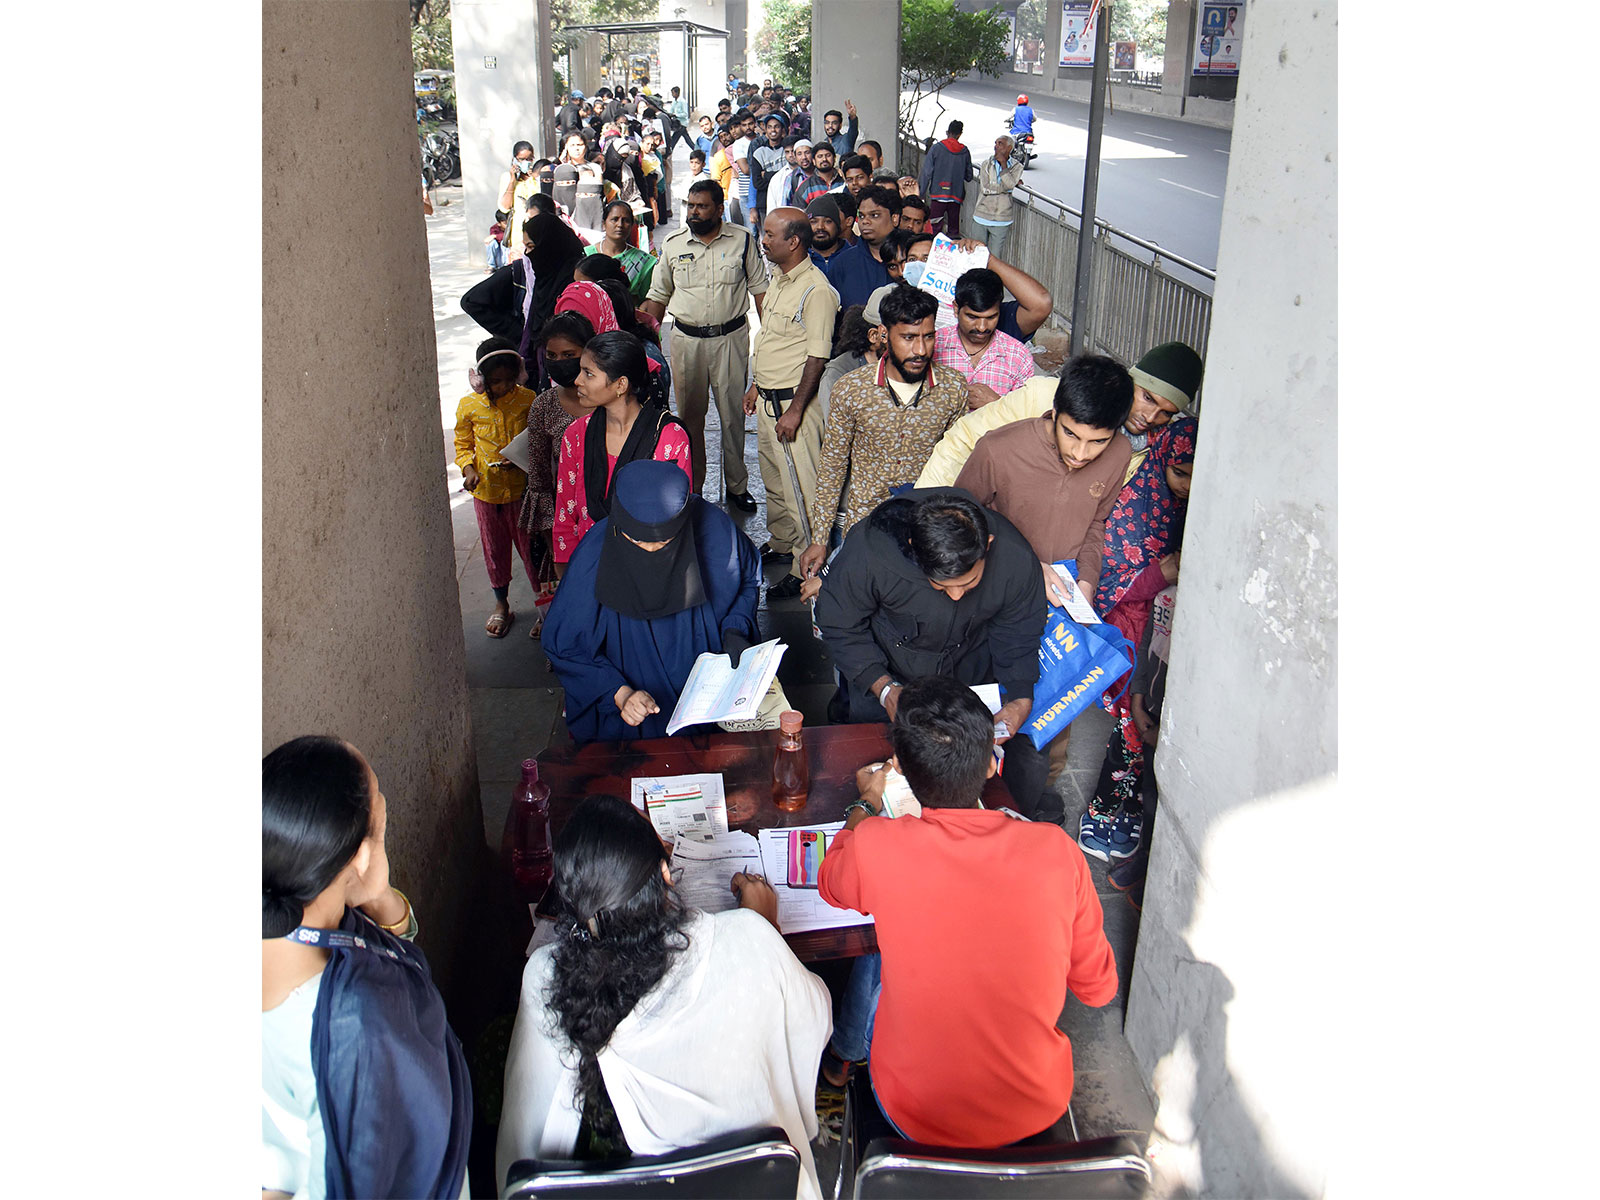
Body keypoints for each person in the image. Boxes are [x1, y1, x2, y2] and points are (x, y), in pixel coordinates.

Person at [813, 678, 1118, 1145]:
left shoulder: (879, 846)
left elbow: (831, 884)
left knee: (879, 944)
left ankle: (843, 1058)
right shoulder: (1057, 851)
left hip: (911, 1109)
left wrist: (867, 801)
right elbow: (1098, 989)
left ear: (901, 771)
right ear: (993, 763)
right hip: (1036, 1110)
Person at [496, 795, 830, 1198]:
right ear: (665, 875)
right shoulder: (750, 938)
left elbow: (522, 1151)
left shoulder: (546, 977)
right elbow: (816, 1017)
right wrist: (763, 927)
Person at [262, 736, 472, 1199]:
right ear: (359, 856)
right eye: (380, 803)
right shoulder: (360, 1025)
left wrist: (377, 894)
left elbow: (388, 949)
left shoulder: (300, 909)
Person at [811, 489, 1060, 822]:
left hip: (964, 676)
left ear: (986, 545)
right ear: (915, 550)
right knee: (875, 771)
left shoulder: (1015, 559)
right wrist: (884, 689)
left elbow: (1019, 634)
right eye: (941, 586)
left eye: (969, 583)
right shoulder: (872, 551)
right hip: (885, 669)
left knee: (961, 784)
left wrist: (1020, 698)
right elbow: (839, 623)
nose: (956, 596)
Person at [542, 461, 762, 741]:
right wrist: (619, 693)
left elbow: (747, 578)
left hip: (707, 698)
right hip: (630, 714)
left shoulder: (714, 531)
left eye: (664, 544)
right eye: (637, 542)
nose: (650, 551)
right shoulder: (595, 554)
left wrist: (735, 629)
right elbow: (565, 644)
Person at [1080, 420, 1195, 863]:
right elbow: (1108, 584)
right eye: (1179, 472)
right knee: (1134, 723)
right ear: (1163, 460)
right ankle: (1102, 811)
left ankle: (1127, 811)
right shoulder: (1135, 506)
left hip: (1172, 632)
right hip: (1132, 628)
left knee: (1154, 728)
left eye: (1195, 475)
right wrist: (1160, 574)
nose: (1186, 485)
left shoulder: (1200, 508)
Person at [797, 285, 968, 562]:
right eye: (908, 338)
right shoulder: (851, 390)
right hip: (864, 528)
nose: (920, 350)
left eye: (928, 337)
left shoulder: (953, 389)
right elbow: (832, 466)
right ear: (884, 335)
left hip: (924, 529)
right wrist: (819, 539)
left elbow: (958, 464)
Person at [915, 338, 1201, 488]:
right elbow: (964, 440)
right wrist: (930, 501)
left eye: (1166, 413)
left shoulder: (1147, 452)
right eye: (1148, 398)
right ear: (1130, 381)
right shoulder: (1042, 396)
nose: (1150, 417)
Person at [641, 179, 770, 509]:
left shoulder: (742, 240)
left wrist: (770, 338)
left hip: (730, 341)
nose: (694, 212)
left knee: (732, 417)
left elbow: (760, 292)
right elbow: (658, 296)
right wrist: (643, 343)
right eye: (691, 206)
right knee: (690, 418)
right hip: (687, 342)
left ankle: (737, 486)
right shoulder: (673, 244)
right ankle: (694, 486)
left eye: (702, 206)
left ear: (719, 208)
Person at [742, 208, 839, 601]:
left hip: (792, 406)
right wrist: (755, 385)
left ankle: (805, 568)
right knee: (776, 483)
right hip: (770, 401)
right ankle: (782, 542)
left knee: (803, 492)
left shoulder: (816, 291)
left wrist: (796, 410)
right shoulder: (780, 279)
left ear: (794, 241)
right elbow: (771, 340)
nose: (763, 240)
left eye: (769, 235)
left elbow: (817, 357)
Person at [552, 332, 691, 569]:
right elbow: (565, 516)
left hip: (648, 569)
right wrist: (569, 576)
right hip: (588, 565)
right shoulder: (576, 435)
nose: (577, 381)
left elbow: (675, 521)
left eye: (588, 373)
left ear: (620, 385)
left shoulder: (669, 439)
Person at [516, 312, 596, 637]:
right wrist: (556, 542)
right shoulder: (543, 406)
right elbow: (538, 480)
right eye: (551, 355)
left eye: (568, 355)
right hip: (567, 524)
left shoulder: (610, 399)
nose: (559, 363)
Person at [456, 338, 538, 638]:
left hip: (521, 492)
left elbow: (536, 440)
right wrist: (469, 469)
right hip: (487, 494)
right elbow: (463, 444)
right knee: (494, 550)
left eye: (508, 380)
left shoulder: (528, 400)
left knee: (531, 550)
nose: (502, 387)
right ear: (480, 380)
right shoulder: (469, 407)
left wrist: (521, 460)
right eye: (494, 381)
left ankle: (543, 607)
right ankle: (501, 604)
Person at [933, 267, 1038, 407]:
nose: (982, 327)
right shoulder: (933, 345)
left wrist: (997, 404)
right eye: (972, 317)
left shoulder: (1018, 356)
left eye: (991, 317)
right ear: (956, 309)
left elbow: (1027, 413)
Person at [822, 184, 898, 309]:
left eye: (874, 215)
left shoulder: (910, 258)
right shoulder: (843, 263)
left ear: (894, 218)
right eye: (862, 216)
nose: (865, 221)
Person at [585, 201, 657, 305]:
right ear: (604, 224)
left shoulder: (645, 262)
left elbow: (645, 301)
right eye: (615, 219)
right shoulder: (587, 254)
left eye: (626, 220)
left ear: (632, 225)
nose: (620, 225)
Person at [917, 120, 973, 239]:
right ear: (960, 134)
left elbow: (926, 173)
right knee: (953, 231)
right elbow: (969, 176)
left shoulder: (936, 148)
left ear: (947, 132)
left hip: (938, 194)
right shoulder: (964, 151)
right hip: (956, 195)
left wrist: (921, 193)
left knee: (934, 228)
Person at [972, 135, 1027, 258]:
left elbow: (1009, 184)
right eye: (995, 143)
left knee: (994, 258)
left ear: (1009, 148)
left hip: (1002, 219)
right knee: (976, 255)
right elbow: (985, 188)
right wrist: (1006, 188)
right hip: (981, 215)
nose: (996, 146)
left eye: (1000, 144)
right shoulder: (987, 164)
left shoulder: (1017, 167)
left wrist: (1003, 165)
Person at [495, 140, 540, 259]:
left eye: (529, 159)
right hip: (518, 232)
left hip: (538, 228)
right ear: (515, 159)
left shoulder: (536, 178)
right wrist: (512, 181)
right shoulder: (507, 178)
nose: (526, 162)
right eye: (522, 159)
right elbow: (505, 207)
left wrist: (533, 177)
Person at [804, 193, 848, 269]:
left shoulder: (854, 257)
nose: (820, 227)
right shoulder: (799, 259)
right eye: (813, 222)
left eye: (828, 221)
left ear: (837, 226)